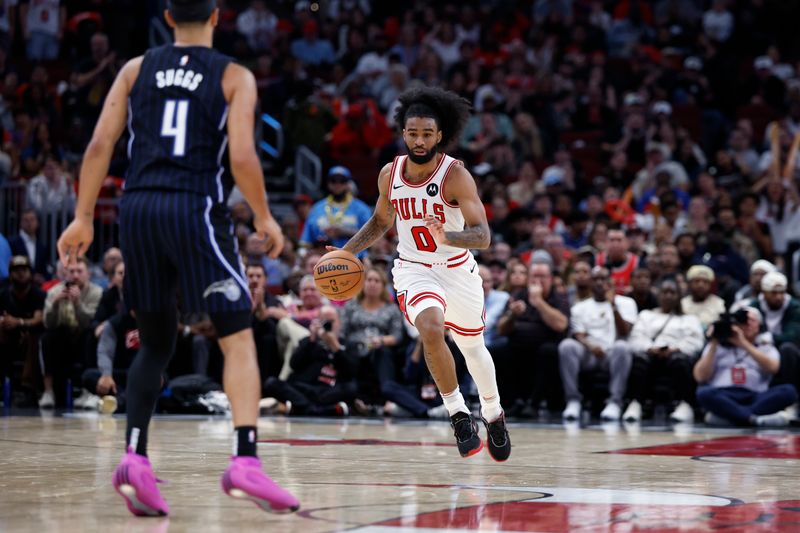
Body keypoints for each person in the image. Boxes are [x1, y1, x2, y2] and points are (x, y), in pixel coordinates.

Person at [56, 0, 298, 517]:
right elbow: (241, 157)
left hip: (137, 209)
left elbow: (100, 144)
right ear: (216, 16)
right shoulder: (235, 76)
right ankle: (245, 461)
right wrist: (264, 216)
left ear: (167, 18)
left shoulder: (134, 68)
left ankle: (135, 457)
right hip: (193, 208)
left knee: (156, 341)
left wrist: (80, 216)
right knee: (237, 336)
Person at [334, 86, 510, 461]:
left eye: (427, 134)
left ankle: (493, 413)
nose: (419, 140)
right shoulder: (390, 174)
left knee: (473, 349)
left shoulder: (456, 177)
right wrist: (347, 251)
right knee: (430, 327)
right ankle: (458, 413)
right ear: (403, 133)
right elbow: (382, 221)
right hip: (413, 269)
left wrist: (450, 234)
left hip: (458, 271)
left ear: (440, 135)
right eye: (412, 133)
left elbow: (483, 236)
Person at [694, 307, 798, 426]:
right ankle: (754, 419)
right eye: (744, 321)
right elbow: (700, 376)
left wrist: (742, 343)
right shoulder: (717, 346)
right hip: (724, 394)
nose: (748, 324)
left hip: (755, 396)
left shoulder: (766, 347)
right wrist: (713, 342)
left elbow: (773, 368)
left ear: (759, 325)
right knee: (704, 393)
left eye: (752, 321)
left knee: (788, 391)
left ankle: (731, 417)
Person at [558, 266, 637, 422]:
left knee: (622, 346)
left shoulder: (626, 303)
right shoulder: (580, 307)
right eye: (596, 279)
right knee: (567, 345)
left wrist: (613, 305)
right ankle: (573, 400)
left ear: (611, 282)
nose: (600, 283)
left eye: (604, 279)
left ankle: (615, 402)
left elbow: (624, 332)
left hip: (613, 355)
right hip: (589, 354)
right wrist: (590, 345)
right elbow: (578, 334)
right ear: (590, 283)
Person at [626, 277, 705, 422]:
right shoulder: (646, 315)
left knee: (680, 361)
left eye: (672, 292)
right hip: (652, 354)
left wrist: (676, 349)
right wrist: (650, 348)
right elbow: (636, 337)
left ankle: (685, 404)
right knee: (640, 360)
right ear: (658, 295)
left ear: (679, 296)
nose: (668, 296)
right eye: (664, 292)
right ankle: (636, 403)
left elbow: (696, 342)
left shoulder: (689, 319)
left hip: (676, 355)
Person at [299, 166, 372, 254]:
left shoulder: (361, 209)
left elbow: (371, 237)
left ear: (348, 183)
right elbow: (305, 241)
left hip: (354, 259)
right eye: (333, 180)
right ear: (328, 183)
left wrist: (344, 232)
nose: (338, 184)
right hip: (322, 260)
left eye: (342, 181)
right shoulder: (316, 209)